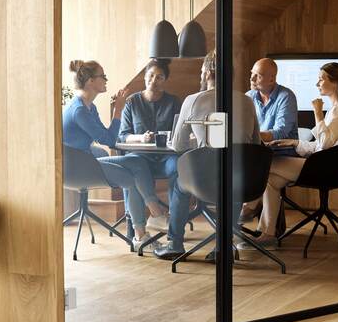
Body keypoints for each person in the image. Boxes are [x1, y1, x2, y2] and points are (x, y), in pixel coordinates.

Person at [237, 62, 338, 250]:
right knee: (271, 179)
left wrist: (318, 114)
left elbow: (325, 143)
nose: (317, 83)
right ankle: (268, 234)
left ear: (335, 83)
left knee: (264, 166)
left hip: (327, 169)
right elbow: (321, 144)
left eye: (321, 79)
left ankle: (248, 208)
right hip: (324, 164)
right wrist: (295, 143)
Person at [154, 50, 261, 260]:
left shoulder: (193, 100)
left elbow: (178, 146)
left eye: (201, 70)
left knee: (178, 182)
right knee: (235, 177)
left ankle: (175, 244)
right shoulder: (247, 102)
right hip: (245, 180)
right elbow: (255, 144)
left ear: (209, 72)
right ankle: (224, 245)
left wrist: (200, 140)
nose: (200, 75)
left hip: (205, 180)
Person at [62, 60, 167, 251]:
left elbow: (108, 135)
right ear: (90, 81)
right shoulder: (79, 110)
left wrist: (118, 114)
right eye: (103, 76)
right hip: (77, 169)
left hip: (87, 161)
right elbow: (110, 140)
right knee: (132, 178)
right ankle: (141, 234)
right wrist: (118, 109)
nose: (106, 80)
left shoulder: (89, 107)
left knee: (136, 161)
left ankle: (156, 215)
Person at [116, 59, 182, 248]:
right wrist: (140, 138)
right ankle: (147, 225)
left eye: (159, 77)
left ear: (165, 80)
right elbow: (123, 136)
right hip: (140, 156)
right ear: (145, 77)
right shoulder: (132, 102)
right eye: (151, 76)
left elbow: (180, 133)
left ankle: (175, 228)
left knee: (178, 168)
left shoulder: (174, 102)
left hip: (166, 157)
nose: (154, 80)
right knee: (135, 171)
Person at [241, 58, 299, 222]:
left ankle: (249, 206)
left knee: (261, 169)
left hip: (283, 153)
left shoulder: (286, 96)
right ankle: (264, 228)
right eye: (252, 74)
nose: (251, 79)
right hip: (259, 152)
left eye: (257, 76)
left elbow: (281, 132)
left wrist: (253, 135)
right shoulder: (248, 97)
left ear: (272, 78)